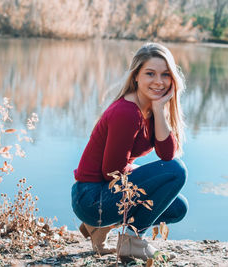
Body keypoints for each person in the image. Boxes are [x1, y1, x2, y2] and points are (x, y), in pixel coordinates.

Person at [71, 42, 188, 263]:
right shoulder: (127, 112)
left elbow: (166, 154)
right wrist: (139, 172)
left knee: (177, 208)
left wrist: (159, 108)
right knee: (176, 170)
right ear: (136, 76)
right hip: (91, 198)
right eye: (150, 73)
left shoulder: (151, 109)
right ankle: (131, 241)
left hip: (106, 195)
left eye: (165, 74)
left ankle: (100, 229)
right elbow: (111, 173)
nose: (159, 81)